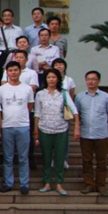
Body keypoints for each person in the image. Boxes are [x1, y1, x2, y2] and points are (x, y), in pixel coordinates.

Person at [34, 69, 79, 197]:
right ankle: (47, 183)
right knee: (46, 158)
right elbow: (37, 113)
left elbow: (74, 110)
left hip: (61, 129)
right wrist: (35, 131)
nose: (51, 79)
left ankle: (59, 183)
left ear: (58, 79)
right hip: (44, 129)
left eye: (54, 77)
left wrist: (77, 127)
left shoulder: (63, 93)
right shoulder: (40, 94)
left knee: (60, 158)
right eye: (49, 77)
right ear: (45, 79)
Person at [74, 70, 108, 196]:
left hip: (101, 133)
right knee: (87, 160)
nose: (90, 81)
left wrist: (101, 123)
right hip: (86, 133)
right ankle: (89, 184)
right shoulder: (80, 97)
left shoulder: (106, 97)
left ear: (98, 81)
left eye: (93, 79)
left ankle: (101, 185)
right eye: (88, 79)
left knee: (102, 161)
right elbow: (77, 114)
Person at [0, 61, 35, 194]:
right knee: (8, 157)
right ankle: (8, 183)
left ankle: (24, 184)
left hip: (23, 126)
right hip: (7, 126)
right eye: (10, 70)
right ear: (7, 73)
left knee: (23, 157)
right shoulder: (1, 89)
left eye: (15, 70)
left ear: (20, 72)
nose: (13, 73)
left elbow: (30, 106)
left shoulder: (27, 89)